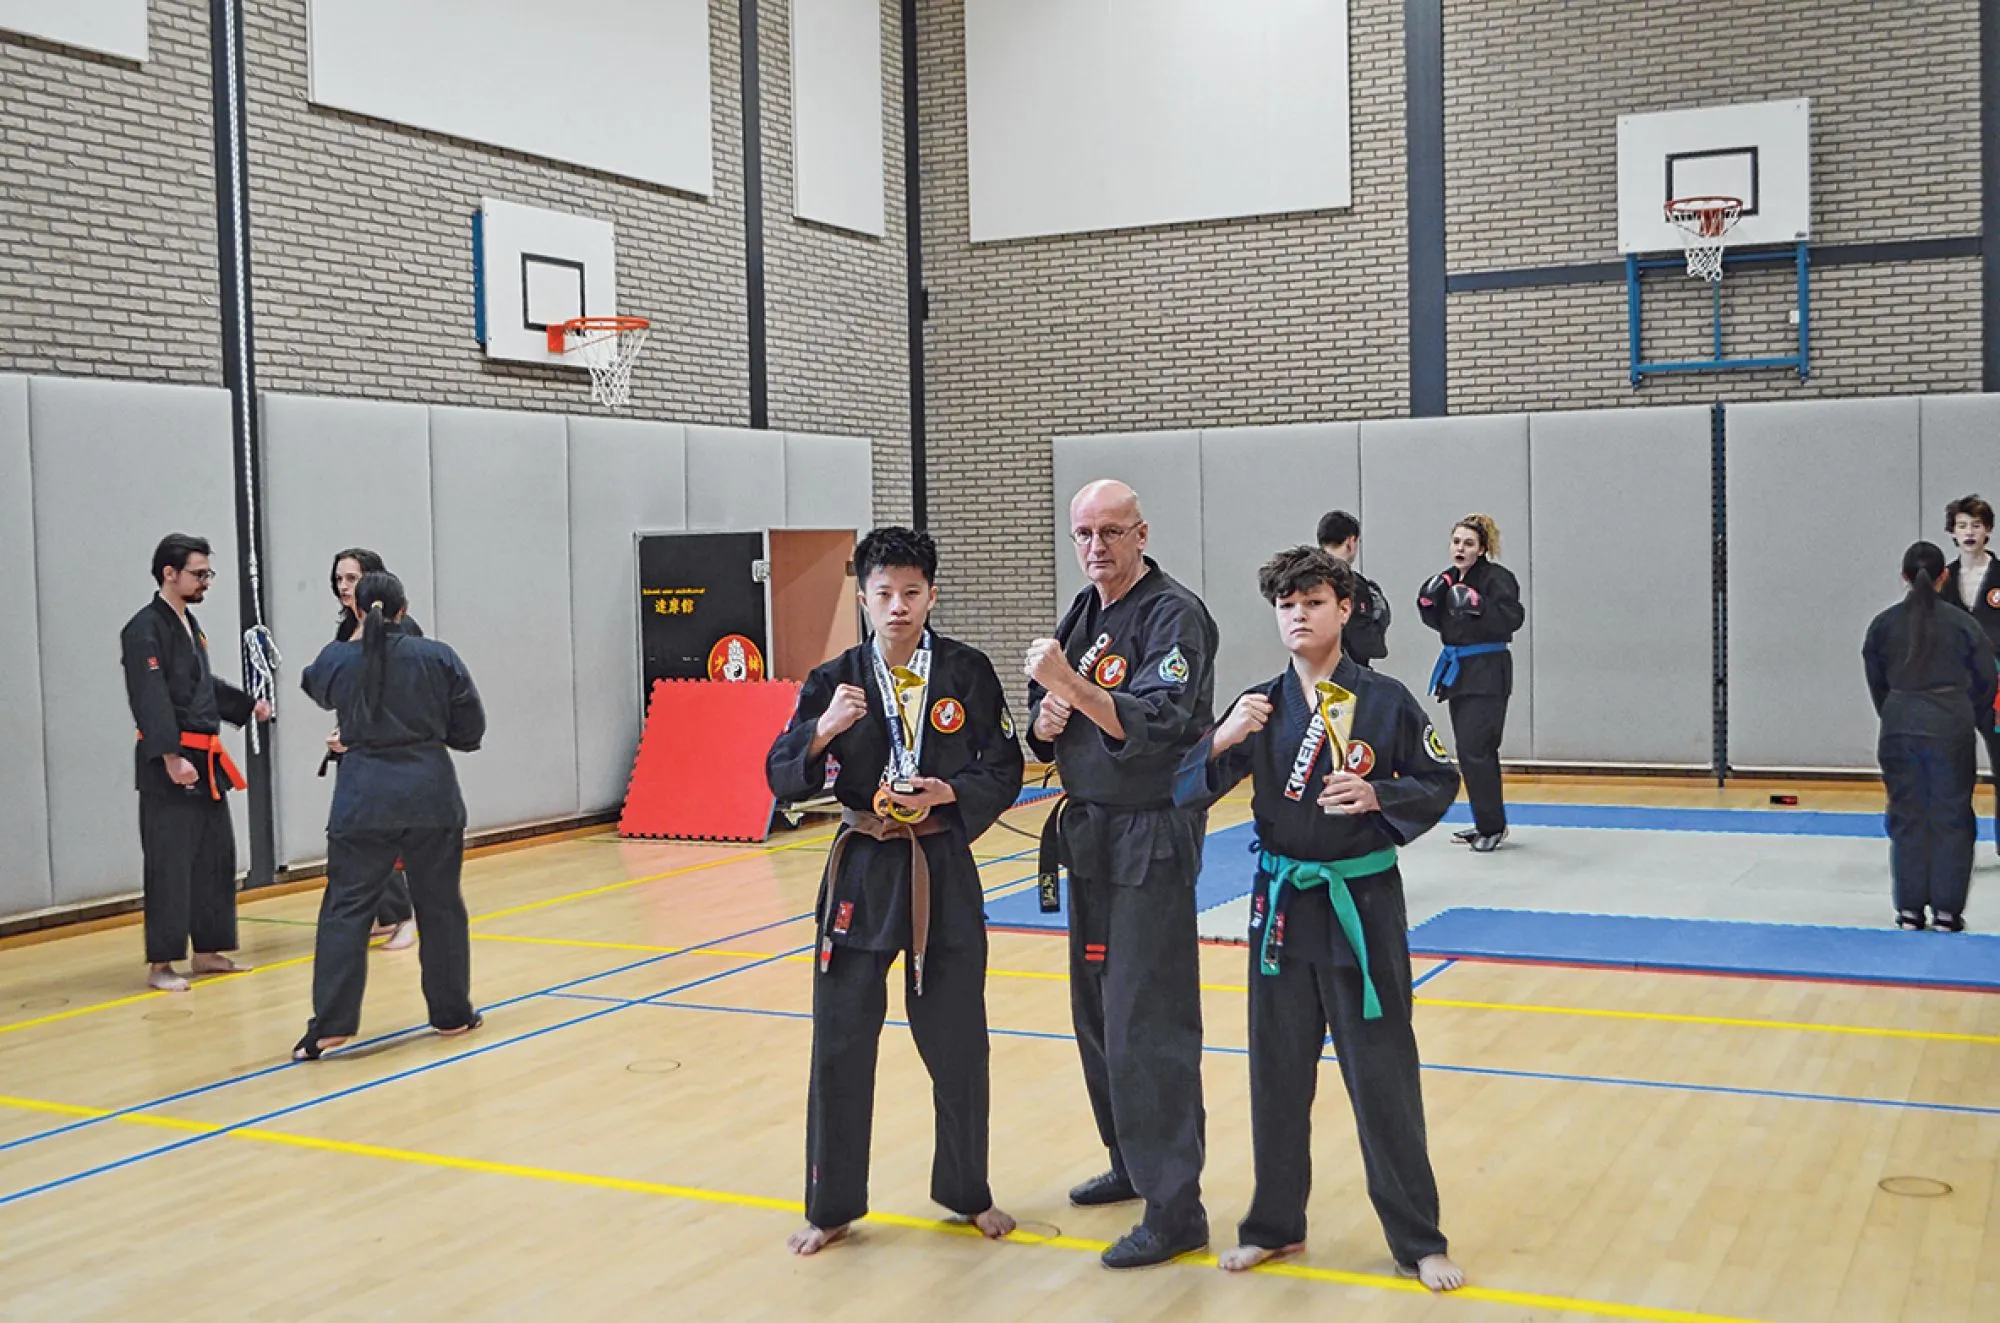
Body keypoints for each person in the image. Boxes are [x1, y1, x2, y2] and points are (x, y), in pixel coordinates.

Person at [1175, 546, 1464, 1291]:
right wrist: (1222, 738)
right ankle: (1274, 1226)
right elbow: (1184, 789)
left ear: (1345, 608)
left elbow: (1438, 777)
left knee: (1383, 1076)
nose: (1298, 616)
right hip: (1279, 910)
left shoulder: (1387, 698)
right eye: (1286, 605)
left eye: (1313, 602)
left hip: (1360, 906)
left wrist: (1380, 797)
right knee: (1276, 1075)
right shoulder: (1260, 703)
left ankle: (1418, 1238)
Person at [765, 527, 1024, 1255]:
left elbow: (1004, 765)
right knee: (840, 1040)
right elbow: (779, 772)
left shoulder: (967, 672)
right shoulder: (834, 679)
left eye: (912, 592)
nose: (899, 606)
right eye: (884, 593)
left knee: (959, 1038)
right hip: (860, 868)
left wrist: (951, 790)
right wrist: (822, 731)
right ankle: (831, 1204)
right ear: (865, 598)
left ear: (932, 594)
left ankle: (968, 1190)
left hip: (940, 862)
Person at [1025, 479, 1217, 1270]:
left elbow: (1155, 725)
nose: (1096, 547)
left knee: (1149, 1020)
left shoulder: (1175, 614)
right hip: (1092, 838)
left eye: (1110, 531)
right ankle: (1131, 1159)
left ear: (1141, 531)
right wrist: (1043, 718)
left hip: (1151, 836)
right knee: (1098, 1011)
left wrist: (1067, 685)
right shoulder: (1086, 610)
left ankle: (1177, 1206)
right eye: (1082, 533)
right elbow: (1049, 722)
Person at [294, 570, 485, 1059]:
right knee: (440, 906)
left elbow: (314, 687)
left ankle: (330, 1027)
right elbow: (470, 730)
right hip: (430, 794)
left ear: (357, 609)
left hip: (363, 797)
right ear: (404, 609)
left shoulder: (337, 659)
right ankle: (451, 1014)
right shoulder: (437, 656)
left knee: (345, 910)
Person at [121, 533, 271, 992]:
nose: (206, 582)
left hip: (205, 760)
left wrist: (247, 707)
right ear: (170, 573)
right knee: (170, 861)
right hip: (171, 761)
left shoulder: (191, 625)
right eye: (198, 573)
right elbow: (150, 697)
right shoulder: (144, 628)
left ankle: (208, 951)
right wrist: (169, 755)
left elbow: (202, 686)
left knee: (214, 856)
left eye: (208, 574)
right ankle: (162, 963)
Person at [1863, 542, 1996, 932]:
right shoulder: (1964, 625)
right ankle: (1947, 912)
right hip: (1950, 724)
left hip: (1899, 723)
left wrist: (1897, 711)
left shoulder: (1883, 625)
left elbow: (1877, 683)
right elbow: (1987, 681)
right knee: (1951, 817)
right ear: (1944, 577)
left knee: (1907, 817)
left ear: (1904, 577)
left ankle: (1908, 911)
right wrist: (1962, 712)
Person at [1417, 514, 1524, 853]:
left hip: (1489, 670)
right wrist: (1427, 606)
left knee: (1478, 750)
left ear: (1481, 549)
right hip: (1459, 670)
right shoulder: (1447, 580)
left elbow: (1513, 618)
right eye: (1456, 542)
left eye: (1468, 543)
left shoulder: (1497, 578)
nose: (1460, 548)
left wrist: (1481, 606)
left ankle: (1492, 826)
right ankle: (1485, 822)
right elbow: (1443, 624)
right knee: (1468, 751)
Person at [327, 548, 417, 950]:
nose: (344, 587)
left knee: (383, 837)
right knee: (353, 836)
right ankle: (377, 914)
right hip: (357, 751)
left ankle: (405, 916)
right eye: (340, 579)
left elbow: (398, 695)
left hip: (390, 754)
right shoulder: (347, 630)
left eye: (352, 579)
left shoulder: (402, 629)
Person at [1940, 496, 2000, 855]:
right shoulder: (1944, 579)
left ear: (1988, 531)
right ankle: (1955, 844)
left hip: (1996, 685)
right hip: (1957, 687)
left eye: (1976, 526)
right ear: (1952, 532)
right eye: (1962, 526)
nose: (1969, 533)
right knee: (1953, 769)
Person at [1317, 510, 1389, 668]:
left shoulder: (1306, 579)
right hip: (1346, 672)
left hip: (1310, 670)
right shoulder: (1351, 583)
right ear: (1351, 542)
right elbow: (1362, 640)